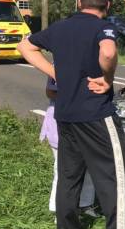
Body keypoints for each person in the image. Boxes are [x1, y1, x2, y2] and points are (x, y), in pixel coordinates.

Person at [17, 0, 125, 229]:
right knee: (116, 178)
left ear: (78, 3)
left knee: (68, 179)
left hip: (66, 115)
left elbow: (24, 46)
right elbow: (108, 52)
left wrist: (54, 71)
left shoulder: (60, 28)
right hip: (96, 114)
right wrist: (108, 78)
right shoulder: (103, 27)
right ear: (107, 6)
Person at [40, 75, 97, 216]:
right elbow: (50, 92)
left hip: (88, 122)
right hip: (61, 121)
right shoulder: (58, 63)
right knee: (62, 169)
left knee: (90, 167)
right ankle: (58, 209)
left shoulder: (92, 61)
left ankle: (85, 204)